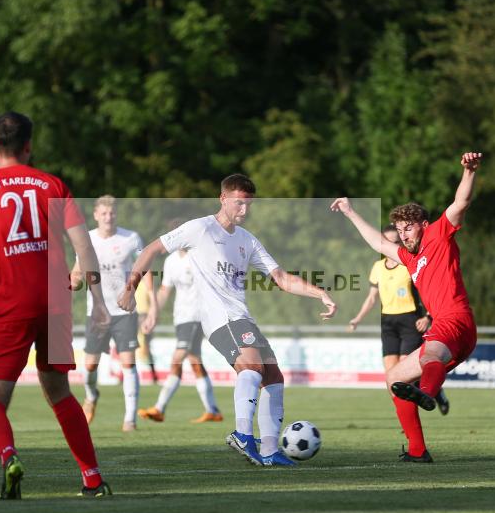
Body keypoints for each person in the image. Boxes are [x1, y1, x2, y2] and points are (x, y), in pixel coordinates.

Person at [0, 111, 112, 499]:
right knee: (60, 392)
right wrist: (99, 300)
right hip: (54, 304)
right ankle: (92, 478)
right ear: (29, 145)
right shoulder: (53, 185)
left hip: (9, 304)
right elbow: (84, 248)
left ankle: (9, 457)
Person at [118, 174, 337, 466]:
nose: (244, 210)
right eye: (238, 203)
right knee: (253, 367)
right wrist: (130, 288)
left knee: (273, 376)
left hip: (241, 317)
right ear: (223, 199)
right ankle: (243, 435)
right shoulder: (200, 228)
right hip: (218, 318)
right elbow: (152, 250)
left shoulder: (248, 240)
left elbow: (282, 279)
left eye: (249, 205)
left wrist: (320, 292)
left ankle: (271, 451)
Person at [331, 152, 482, 463]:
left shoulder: (439, 234)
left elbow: (460, 204)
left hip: (455, 321)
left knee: (429, 356)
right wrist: (350, 212)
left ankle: (426, 392)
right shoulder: (410, 258)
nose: (403, 234)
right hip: (451, 330)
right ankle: (417, 450)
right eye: (400, 230)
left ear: (423, 225)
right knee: (395, 380)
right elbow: (379, 244)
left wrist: (469, 172)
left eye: (408, 228)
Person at [71, 195, 157, 432]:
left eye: (112, 213)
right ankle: (91, 396)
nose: (108, 218)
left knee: (128, 363)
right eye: (104, 213)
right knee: (89, 366)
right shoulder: (86, 239)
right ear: (96, 215)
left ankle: (130, 419)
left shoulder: (131, 238)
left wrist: (153, 306)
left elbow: (146, 269)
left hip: (124, 310)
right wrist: (73, 282)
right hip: (97, 312)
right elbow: (77, 273)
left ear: (116, 215)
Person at [348, 226, 449, 415]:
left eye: (395, 242)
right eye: (386, 241)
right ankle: (407, 416)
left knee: (405, 376)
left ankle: (428, 400)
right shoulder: (378, 267)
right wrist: (357, 319)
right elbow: (372, 298)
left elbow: (429, 290)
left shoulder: (408, 264)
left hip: (410, 321)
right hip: (388, 323)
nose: (391, 245)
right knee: (392, 378)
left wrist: (428, 316)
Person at [138, 231, 223, 424]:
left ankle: (159, 407)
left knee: (177, 357)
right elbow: (165, 290)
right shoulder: (170, 261)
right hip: (181, 317)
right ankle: (212, 410)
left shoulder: (200, 257)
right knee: (194, 360)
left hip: (196, 316)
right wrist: (153, 313)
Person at [134, 279, 158, 385]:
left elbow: (153, 303)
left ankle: (153, 374)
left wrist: (152, 317)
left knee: (146, 347)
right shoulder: (132, 283)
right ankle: (124, 375)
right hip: (133, 316)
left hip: (145, 316)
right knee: (129, 347)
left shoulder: (148, 285)